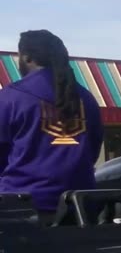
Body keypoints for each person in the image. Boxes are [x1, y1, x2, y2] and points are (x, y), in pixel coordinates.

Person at [0, 30, 103, 222]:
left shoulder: (11, 97)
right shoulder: (87, 99)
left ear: (27, 57)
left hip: (22, 210)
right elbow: (93, 151)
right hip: (82, 209)